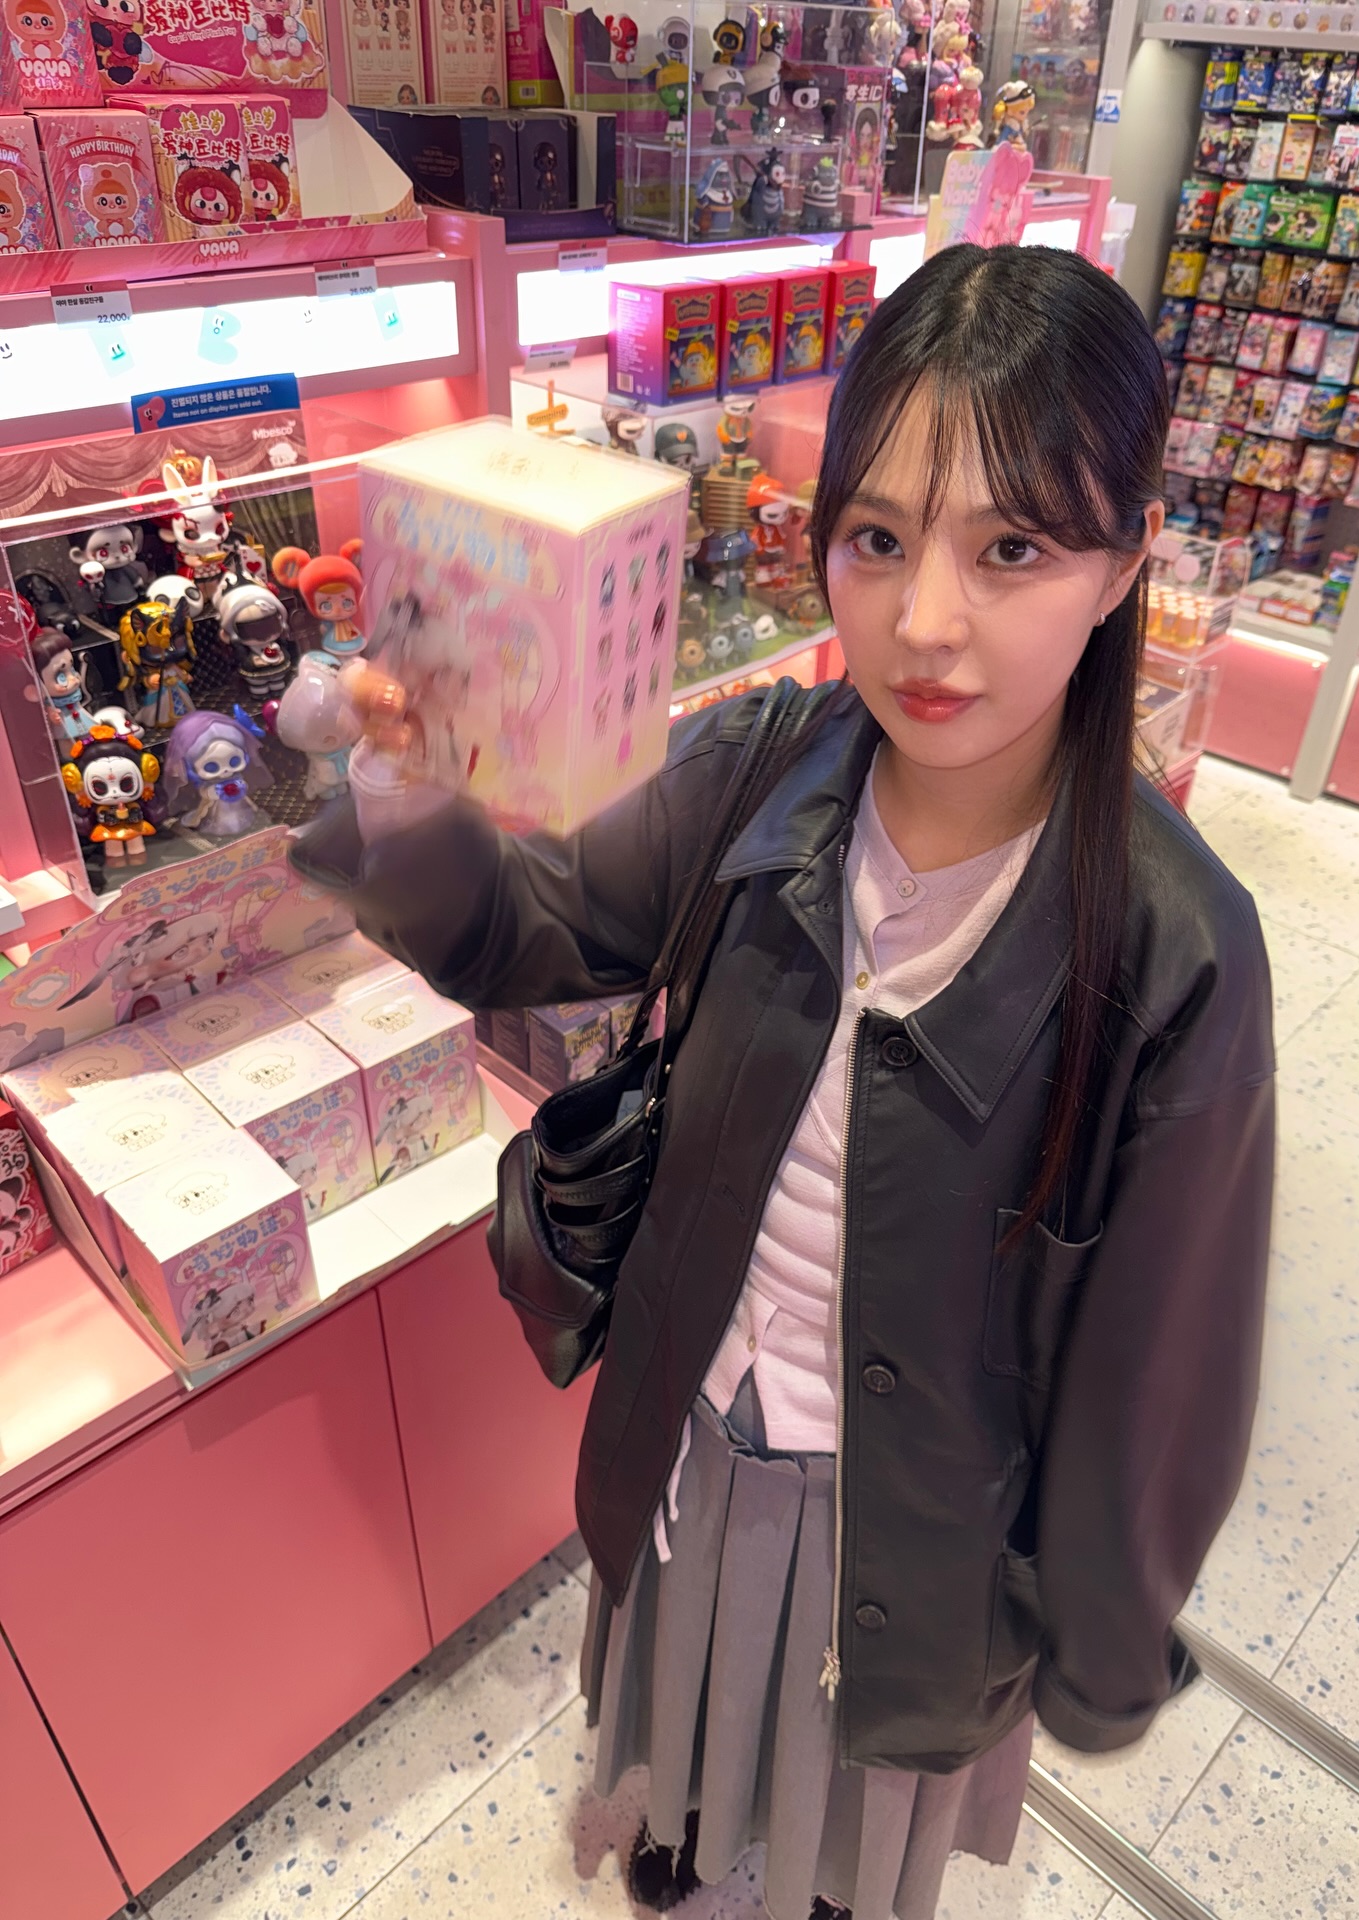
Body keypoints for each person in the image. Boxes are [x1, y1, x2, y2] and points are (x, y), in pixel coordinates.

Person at [291, 245, 1275, 1920]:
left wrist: (1099, 1654)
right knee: (675, 1791)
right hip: (686, 1434)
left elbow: (1158, 1370)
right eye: (876, 539)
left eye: (1012, 549)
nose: (924, 622)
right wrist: (400, 784)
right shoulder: (767, 767)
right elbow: (530, 928)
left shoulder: (1175, 949)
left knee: (837, 1851)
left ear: (1125, 565)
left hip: (917, 1538)